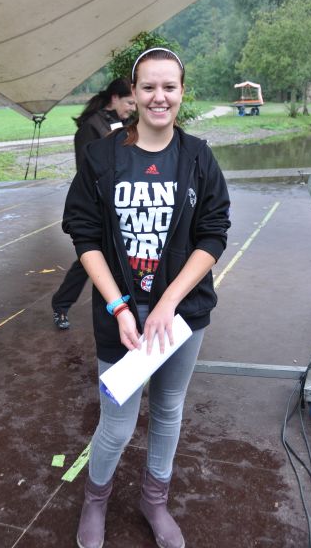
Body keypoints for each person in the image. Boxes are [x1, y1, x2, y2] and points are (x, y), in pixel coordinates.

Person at [63, 48, 230, 548]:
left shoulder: (198, 157)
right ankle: (96, 500)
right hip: (121, 315)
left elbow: (213, 234)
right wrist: (118, 306)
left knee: (169, 410)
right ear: (133, 94)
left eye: (169, 87)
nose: (160, 97)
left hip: (181, 316)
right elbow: (84, 235)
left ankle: (154, 501)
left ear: (182, 92)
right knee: (117, 424)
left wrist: (167, 303)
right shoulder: (102, 157)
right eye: (149, 87)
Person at [52, 78, 135, 330]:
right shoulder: (90, 127)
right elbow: (86, 171)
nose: (133, 108)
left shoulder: (129, 123)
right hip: (101, 206)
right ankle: (61, 305)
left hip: (124, 203)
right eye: (129, 102)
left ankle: (127, 305)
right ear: (114, 98)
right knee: (90, 259)